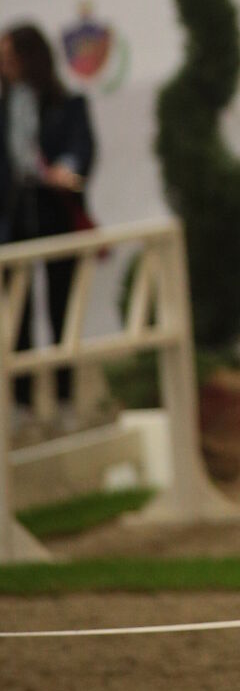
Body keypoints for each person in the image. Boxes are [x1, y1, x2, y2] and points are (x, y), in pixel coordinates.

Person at [1, 21, 95, 415]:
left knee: (62, 312)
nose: (4, 65)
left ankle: (65, 400)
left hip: (55, 215)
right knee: (17, 316)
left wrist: (64, 171)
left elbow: (82, 150)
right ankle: (22, 405)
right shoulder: (5, 106)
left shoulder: (66, 104)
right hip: (13, 220)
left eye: (9, 57)